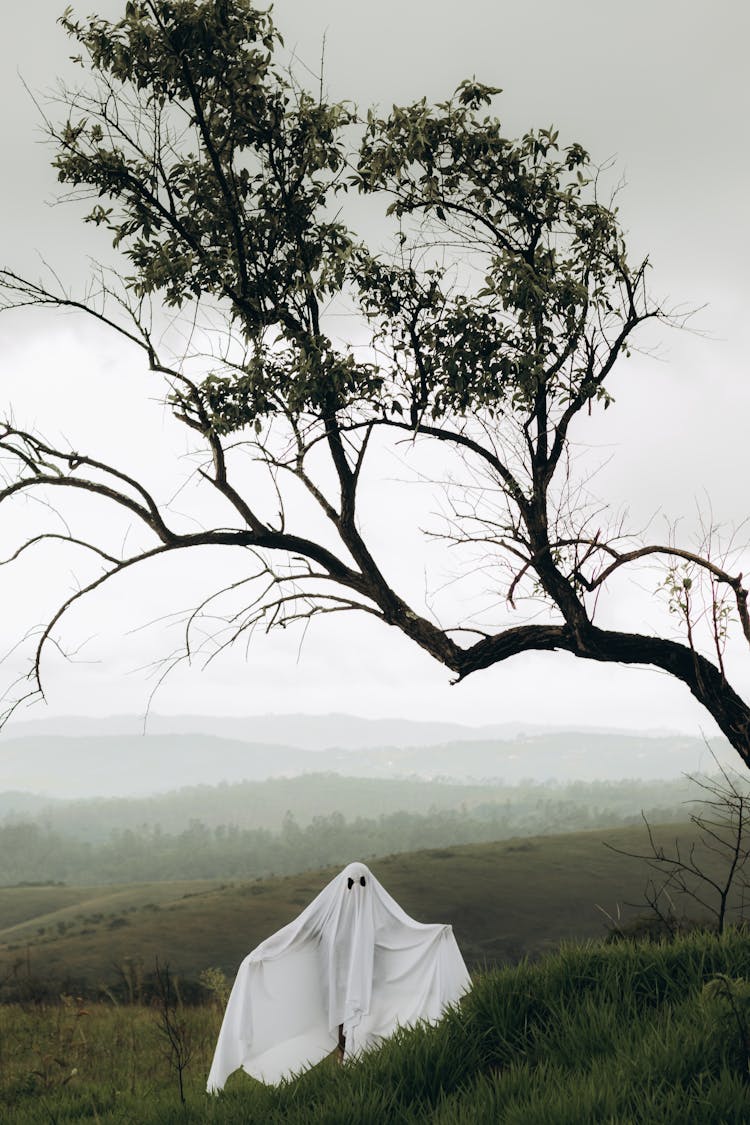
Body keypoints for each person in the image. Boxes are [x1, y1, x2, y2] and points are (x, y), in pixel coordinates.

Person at [207, 861, 471, 1090]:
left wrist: (435, 937)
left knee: (367, 1038)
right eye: (351, 884)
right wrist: (262, 956)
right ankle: (350, 1086)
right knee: (347, 1040)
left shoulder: (381, 922)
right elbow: (295, 936)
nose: (356, 889)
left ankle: (372, 1085)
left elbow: (405, 940)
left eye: (363, 883)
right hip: (337, 998)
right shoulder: (330, 923)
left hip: (375, 1000)